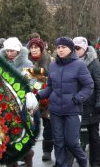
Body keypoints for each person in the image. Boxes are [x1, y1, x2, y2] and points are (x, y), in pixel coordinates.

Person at [37, 36, 94, 167]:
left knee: (72, 143)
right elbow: (50, 87)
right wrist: (38, 96)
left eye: (64, 47)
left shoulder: (79, 65)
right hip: (55, 110)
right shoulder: (53, 65)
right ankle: (61, 164)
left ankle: (83, 162)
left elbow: (89, 86)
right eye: (58, 47)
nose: (60, 50)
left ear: (71, 49)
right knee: (58, 142)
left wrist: (77, 98)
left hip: (72, 110)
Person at [0, 37, 35, 167]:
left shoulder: (27, 64)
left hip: (21, 105)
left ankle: (27, 155)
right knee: (6, 135)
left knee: (21, 133)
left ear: (18, 51)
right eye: (7, 50)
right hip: (3, 105)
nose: (9, 53)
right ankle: (11, 162)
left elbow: (31, 83)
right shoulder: (0, 63)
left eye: (12, 51)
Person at [73, 36, 100, 167]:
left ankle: (96, 162)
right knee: (74, 136)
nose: (75, 51)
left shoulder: (94, 63)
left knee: (93, 135)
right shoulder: (69, 62)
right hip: (75, 104)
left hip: (92, 105)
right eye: (73, 48)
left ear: (85, 48)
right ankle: (78, 160)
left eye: (78, 48)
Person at [27, 38, 53, 161]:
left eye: (36, 47)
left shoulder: (50, 60)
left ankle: (47, 150)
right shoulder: (27, 61)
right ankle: (26, 151)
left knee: (48, 124)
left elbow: (52, 78)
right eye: (31, 48)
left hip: (46, 96)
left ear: (41, 49)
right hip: (28, 96)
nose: (34, 50)